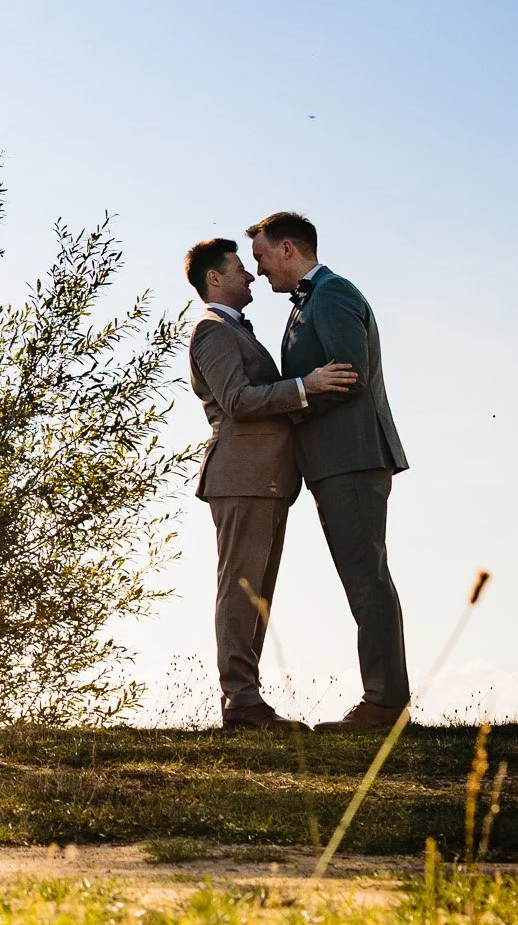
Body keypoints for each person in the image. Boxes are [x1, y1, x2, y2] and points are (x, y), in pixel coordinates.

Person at [248, 210, 413, 733]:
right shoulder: (309, 301)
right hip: (335, 462)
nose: (259, 270)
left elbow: (349, 377)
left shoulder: (333, 294)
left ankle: (385, 704)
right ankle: (385, 698)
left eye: (262, 257)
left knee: (367, 579)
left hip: (352, 457)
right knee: (362, 577)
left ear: (288, 248)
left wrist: (293, 403)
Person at [185, 238, 358, 729]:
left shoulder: (234, 330)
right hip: (241, 477)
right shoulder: (213, 330)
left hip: (265, 480)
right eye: (240, 268)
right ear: (214, 279)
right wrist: (307, 386)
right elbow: (237, 401)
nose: (251, 276)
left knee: (256, 592)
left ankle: (247, 701)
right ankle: (241, 703)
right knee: (240, 590)